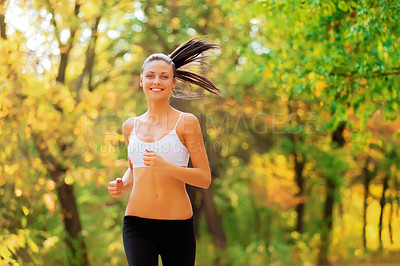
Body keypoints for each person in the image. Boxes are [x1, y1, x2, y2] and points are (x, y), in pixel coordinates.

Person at [108, 38, 221, 266]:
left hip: (177, 226)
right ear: (141, 81)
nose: (156, 81)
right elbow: (134, 170)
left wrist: (167, 167)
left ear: (173, 83)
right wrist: (123, 183)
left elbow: (204, 178)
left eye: (163, 76)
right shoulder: (130, 127)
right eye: (150, 75)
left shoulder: (187, 122)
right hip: (136, 224)